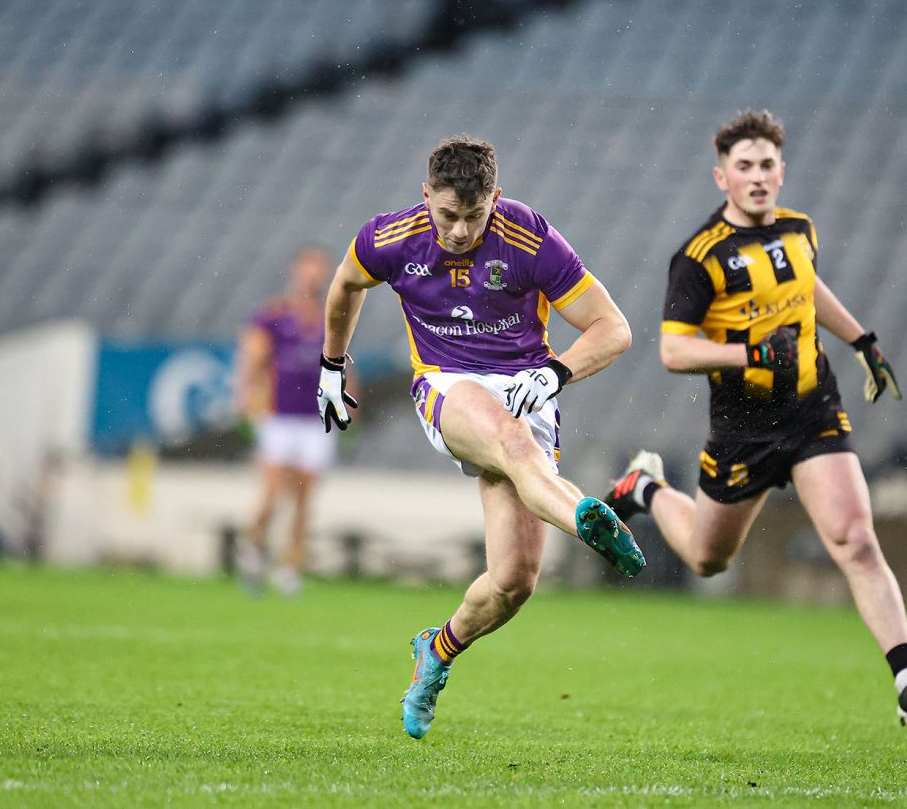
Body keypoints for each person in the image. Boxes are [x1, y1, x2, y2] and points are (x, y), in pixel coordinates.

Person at [605, 109, 907, 727]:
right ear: (722, 178)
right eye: (745, 167)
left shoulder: (799, 229)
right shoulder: (698, 257)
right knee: (709, 559)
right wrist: (751, 354)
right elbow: (673, 350)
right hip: (743, 428)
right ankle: (645, 487)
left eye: (767, 165)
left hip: (813, 410)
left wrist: (862, 341)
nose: (758, 176)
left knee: (854, 538)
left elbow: (808, 285)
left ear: (782, 171)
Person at [319, 135, 645, 740]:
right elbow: (344, 286)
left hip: (527, 388)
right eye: (448, 215)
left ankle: (436, 650)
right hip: (448, 385)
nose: (462, 230)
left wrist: (555, 371)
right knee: (509, 441)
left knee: (514, 582)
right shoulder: (389, 238)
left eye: (475, 215)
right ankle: (588, 517)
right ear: (426, 198)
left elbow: (614, 328)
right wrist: (332, 366)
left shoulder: (531, 239)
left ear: (494, 197)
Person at [234, 246, 336, 596]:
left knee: (305, 498)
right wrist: (246, 396)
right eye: (308, 270)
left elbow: (341, 364)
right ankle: (253, 546)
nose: (313, 277)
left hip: (315, 417)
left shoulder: (329, 316)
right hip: (279, 416)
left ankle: (290, 565)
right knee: (273, 493)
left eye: (319, 270)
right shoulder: (274, 315)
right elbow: (253, 357)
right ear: (296, 273)